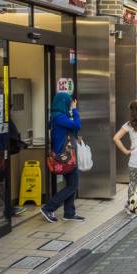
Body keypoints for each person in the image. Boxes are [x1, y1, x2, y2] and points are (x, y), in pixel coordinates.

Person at [41, 92, 83, 223]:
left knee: (72, 183)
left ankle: (69, 212)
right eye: (69, 102)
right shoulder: (59, 117)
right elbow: (77, 125)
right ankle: (48, 207)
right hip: (65, 156)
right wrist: (75, 110)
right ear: (63, 102)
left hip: (65, 155)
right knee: (73, 185)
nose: (70, 104)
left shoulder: (58, 116)